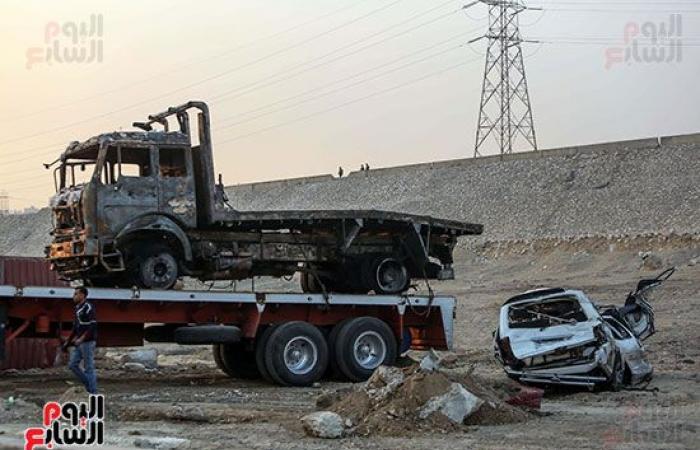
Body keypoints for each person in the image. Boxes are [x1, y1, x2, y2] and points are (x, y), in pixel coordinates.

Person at [62, 287, 98, 394]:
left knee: (89, 367)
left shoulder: (88, 307)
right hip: (79, 342)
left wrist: (82, 338)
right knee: (73, 365)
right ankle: (89, 383)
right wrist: (68, 342)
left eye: (76, 294)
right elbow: (76, 327)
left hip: (87, 342)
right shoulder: (78, 308)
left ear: (83, 295)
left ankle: (93, 393)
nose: (74, 296)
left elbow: (93, 325)